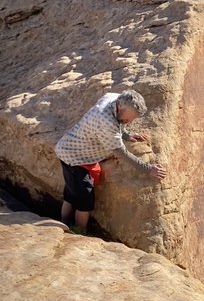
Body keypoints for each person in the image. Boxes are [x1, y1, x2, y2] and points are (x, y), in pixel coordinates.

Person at [55, 90, 167, 234]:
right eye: (129, 119)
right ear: (120, 106)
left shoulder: (113, 97)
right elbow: (122, 153)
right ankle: (78, 233)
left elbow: (119, 122)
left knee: (71, 193)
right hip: (75, 159)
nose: (130, 122)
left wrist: (126, 134)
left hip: (70, 149)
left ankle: (63, 224)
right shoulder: (105, 121)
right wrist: (148, 168)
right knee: (84, 204)